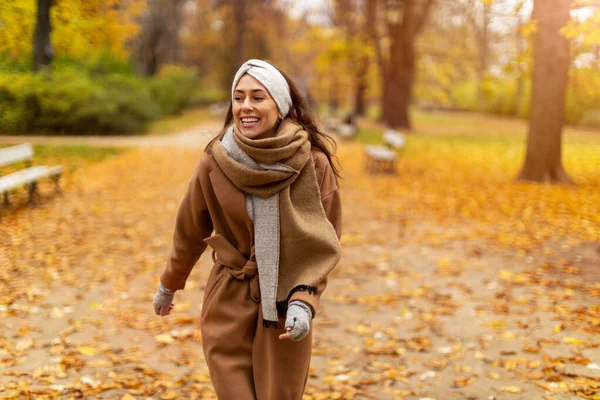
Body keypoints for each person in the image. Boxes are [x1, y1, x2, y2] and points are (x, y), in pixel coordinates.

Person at [153, 59, 342, 399]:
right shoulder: (216, 159)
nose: (246, 107)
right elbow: (190, 229)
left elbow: (324, 244)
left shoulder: (313, 164)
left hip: (285, 307)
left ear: (280, 106)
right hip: (228, 297)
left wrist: (304, 300)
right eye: (238, 98)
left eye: (258, 97)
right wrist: (169, 283)